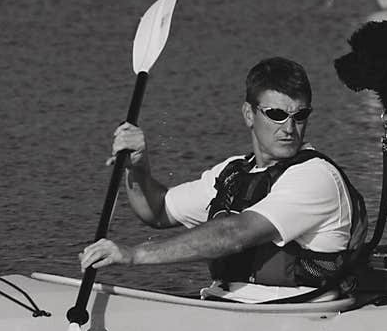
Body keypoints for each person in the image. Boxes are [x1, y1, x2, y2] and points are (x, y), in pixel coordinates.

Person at [79, 57, 367, 303]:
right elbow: (157, 211)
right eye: (276, 115)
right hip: (226, 305)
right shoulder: (233, 172)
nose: (289, 128)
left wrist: (132, 255)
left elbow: (234, 234)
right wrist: (137, 168)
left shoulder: (315, 177)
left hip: (295, 315)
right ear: (248, 114)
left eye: (299, 115)